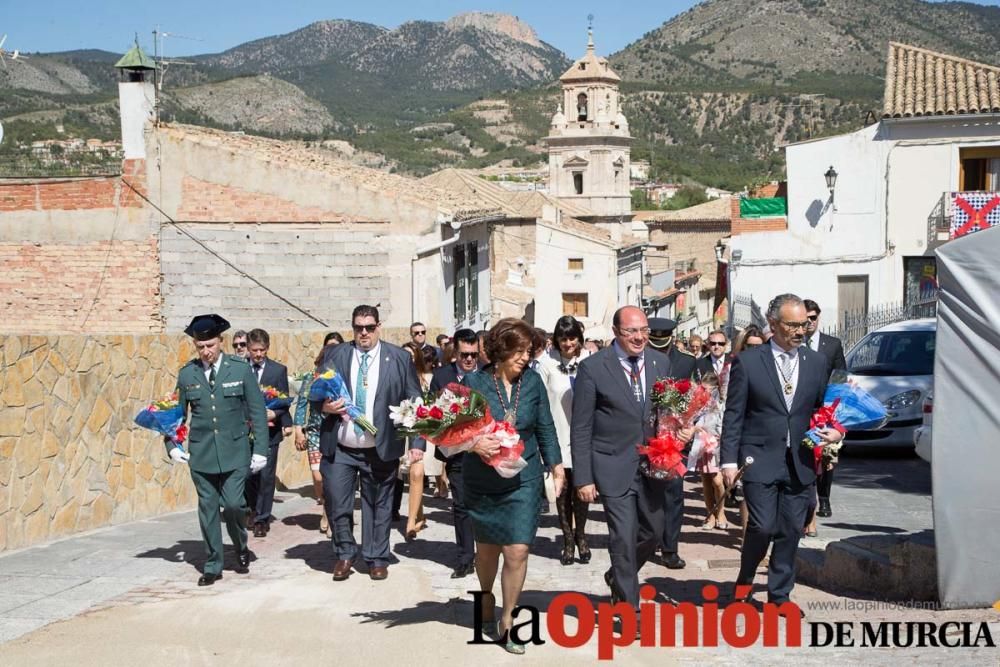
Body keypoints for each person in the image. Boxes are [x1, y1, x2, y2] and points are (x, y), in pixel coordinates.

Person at [721, 294, 844, 605]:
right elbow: (734, 415)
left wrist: (837, 429)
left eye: (804, 324)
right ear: (773, 325)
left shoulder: (816, 363)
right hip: (759, 458)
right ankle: (746, 579)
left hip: (799, 460)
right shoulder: (748, 362)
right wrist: (728, 462)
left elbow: (822, 408)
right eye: (793, 325)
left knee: (790, 531)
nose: (800, 331)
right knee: (761, 526)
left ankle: (779, 596)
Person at [463, 318, 565, 654]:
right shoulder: (474, 381)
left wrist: (556, 465)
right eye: (518, 351)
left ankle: (507, 619)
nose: (524, 358)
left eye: (528, 351)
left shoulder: (533, 382)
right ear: (500, 350)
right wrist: (475, 444)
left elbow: (545, 425)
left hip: (524, 477)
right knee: (488, 551)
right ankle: (487, 596)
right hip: (482, 479)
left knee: (517, 549)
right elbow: (452, 432)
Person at [572, 306, 677, 616]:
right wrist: (583, 477)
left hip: (653, 465)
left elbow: (667, 414)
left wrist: (680, 433)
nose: (639, 337)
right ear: (616, 332)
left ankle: (618, 576)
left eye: (643, 330)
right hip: (611, 464)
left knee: (654, 533)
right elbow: (581, 427)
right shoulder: (594, 368)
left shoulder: (660, 362)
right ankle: (630, 609)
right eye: (632, 331)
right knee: (622, 535)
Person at [315, 305, 424, 582]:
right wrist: (326, 407)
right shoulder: (336, 354)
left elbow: (415, 401)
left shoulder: (398, 358)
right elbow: (316, 395)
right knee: (338, 503)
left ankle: (376, 557)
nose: (363, 333)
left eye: (369, 327)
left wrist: (416, 442)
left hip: (381, 446)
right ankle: (344, 553)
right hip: (341, 446)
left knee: (379, 505)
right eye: (358, 328)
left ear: (379, 327)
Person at [168, 314, 268, 586]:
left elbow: (257, 411)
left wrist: (260, 449)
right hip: (201, 455)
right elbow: (176, 415)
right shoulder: (187, 373)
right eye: (200, 347)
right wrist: (172, 445)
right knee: (208, 508)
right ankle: (213, 564)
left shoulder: (239, 369)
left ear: (221, 342)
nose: (206, 351)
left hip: (235, 452)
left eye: (210, 345)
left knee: (234, 505)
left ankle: (240, 544)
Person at [536, 316, 592, 565]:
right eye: (563, 338)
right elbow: (541, 402)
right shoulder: (546, 364)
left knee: (582, 489)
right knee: (562, 491)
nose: (568, 343)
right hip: (558, 431)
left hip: (583, 436)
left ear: (579, 338)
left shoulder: (590, 361)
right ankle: (567, 540)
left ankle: (581, 535)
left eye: (571, 337)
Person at [429, 328, 481, 578]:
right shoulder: (441, 376)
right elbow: (430, 413)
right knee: (460, 505)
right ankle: (465, 557)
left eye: (473, 355)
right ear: (455, 353)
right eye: (464, 355)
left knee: (482, 505)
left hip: (485, 451)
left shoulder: (487, 374)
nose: (469, 360)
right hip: (456, 453)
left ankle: (486, 551)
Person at [645, 317, 694, 569]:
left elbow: (698, 397)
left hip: (676, 440)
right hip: (646, 437)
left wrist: (691, 427)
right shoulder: (640, 359)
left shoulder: (687, 362)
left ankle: (669, 548)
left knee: (673, 494)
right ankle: (650, 537)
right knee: (648, 493)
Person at [802, 299, 847, 534]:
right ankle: (807, 504)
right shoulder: (796, 344)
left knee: (827, 455)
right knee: (807, 454)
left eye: (813, 318)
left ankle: (825, 497)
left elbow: (841, 375)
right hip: (802, 410)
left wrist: (834, 407)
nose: (809, 322)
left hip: (826, 411)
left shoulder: (832, 344)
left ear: (818, 318)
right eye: (805, 318)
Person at [293, 331, 342, 535]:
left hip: (337, 431)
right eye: (328, 346)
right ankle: (325, 504)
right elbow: (302, 404)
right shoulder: (310, 377)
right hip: (314, 431)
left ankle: (330, 513)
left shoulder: (343, 375)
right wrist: (298, 430)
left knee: (332, 476)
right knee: (318, 476)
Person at [244, 328, 291, 538]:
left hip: (270, 433)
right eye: (254, 350)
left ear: (267, 348)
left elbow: (284, 402)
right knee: (247, 475)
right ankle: (252, 509)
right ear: (248, 349)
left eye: (262, 350)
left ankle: (263, 518)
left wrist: (274, 413)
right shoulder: (240, 369)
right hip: (245, 432)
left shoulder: (277, 371)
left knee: (266, 476)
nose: (258, 354)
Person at [398, 344, 447, 540]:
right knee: (408, 474)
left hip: (423, 429)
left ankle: (410, 522)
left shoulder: (428, 378)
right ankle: (418, 514)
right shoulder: (394, 377)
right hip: (401, 428)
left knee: (417, 472)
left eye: (411, 356)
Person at [691, 372, 728, 530]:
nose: (705, 393)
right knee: (706, 480)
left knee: (718, 481)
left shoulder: (722, 403)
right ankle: (710, 515)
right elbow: (690, 419)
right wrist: (694, 427)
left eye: (709, 390)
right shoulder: (698, 403)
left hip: (718, 444)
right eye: (703, 389)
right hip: (702, 443)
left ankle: (721, 512)